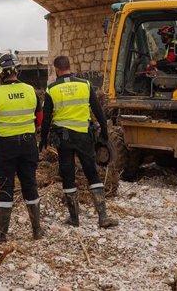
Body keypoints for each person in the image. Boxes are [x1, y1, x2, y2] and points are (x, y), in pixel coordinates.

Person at [40, 55, 118, 228]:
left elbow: (46, 119)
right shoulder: (85, 85)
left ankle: (74, 218)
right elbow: (98, 111)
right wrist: (104, 132)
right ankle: (103, 216)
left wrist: (43, 139)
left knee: (68, 175)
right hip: (84, 136)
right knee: (92, 172)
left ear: (56, 69)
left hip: (64, 139)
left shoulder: (52, 89)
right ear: (69, 66)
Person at [0, 53, 44, 242]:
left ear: (1, 73)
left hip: (6, 147)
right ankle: (37, 230)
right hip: (28, 144)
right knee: (30, 185)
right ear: (17, 70)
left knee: (5, 187)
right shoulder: (31, 90)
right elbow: (40, 120)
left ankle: (1, 233)